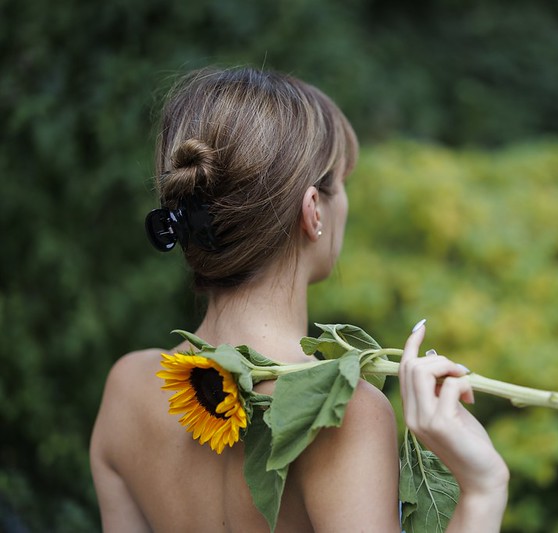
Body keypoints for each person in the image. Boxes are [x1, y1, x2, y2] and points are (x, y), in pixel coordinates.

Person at [90, 67, 509, 532]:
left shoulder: (126, 388)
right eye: (342, 181)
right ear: (313, 210)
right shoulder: (343, 416)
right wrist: (482, 489)